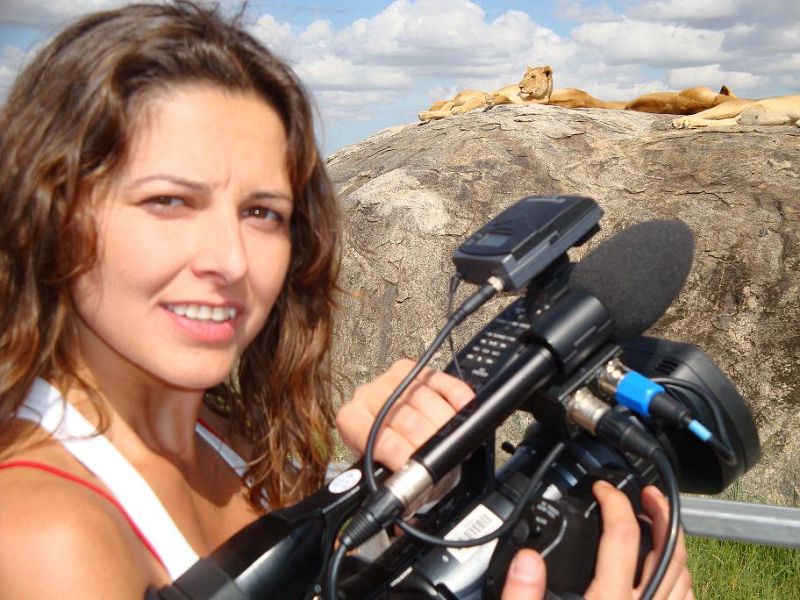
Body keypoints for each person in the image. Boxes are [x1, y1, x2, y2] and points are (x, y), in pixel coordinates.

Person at [0, 2, 692, 598]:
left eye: (263, 213)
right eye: (169, 201)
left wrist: (422, 498)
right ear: (52, 216)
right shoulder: (44, 534)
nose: (230, 260)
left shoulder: (239, 443)